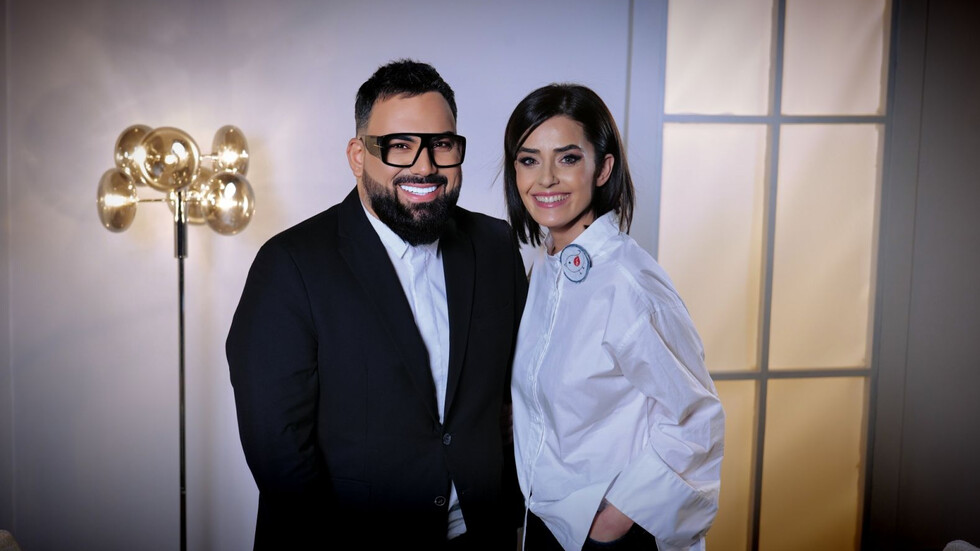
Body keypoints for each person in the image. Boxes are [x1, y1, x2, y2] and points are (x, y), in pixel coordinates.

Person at [227, 59, 527, 550]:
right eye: (400, 146)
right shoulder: (290, 265)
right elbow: (279, 450)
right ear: (358, 155)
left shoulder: (495, 246)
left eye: (442, 144)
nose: (425, 167)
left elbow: (518, 398)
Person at [504, 84, 725, 551]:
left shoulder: (628, 281)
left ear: (602, 169)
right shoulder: (543, 265)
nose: (546, 179)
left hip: (605, 530)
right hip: (544, 519)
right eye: (529, 160)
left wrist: (613, 521)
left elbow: (696, 418)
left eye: (567, 158)